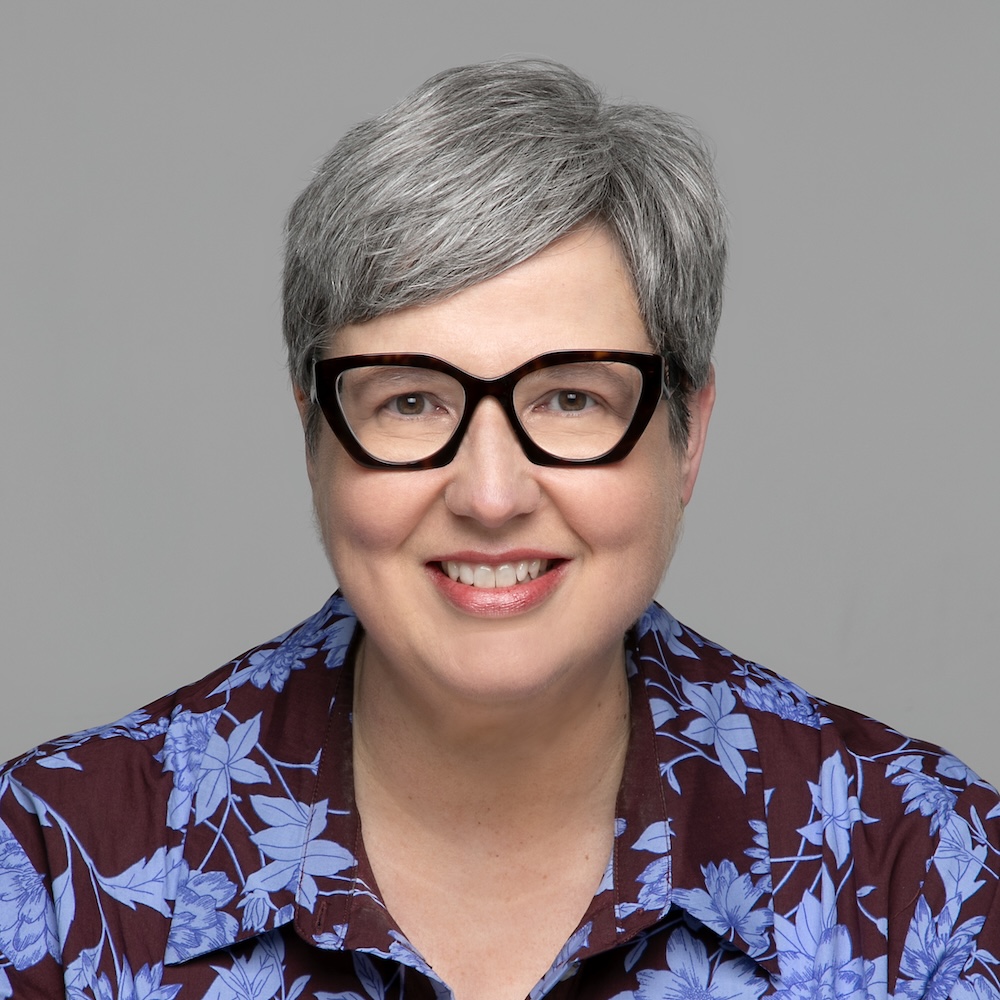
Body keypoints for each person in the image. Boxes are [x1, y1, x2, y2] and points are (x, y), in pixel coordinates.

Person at [1, 58, 998, 1000]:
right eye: (410, 402)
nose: (488, 494)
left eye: (569, 398)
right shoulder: (51, 865)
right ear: (316, 437)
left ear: (686, 436)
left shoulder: (923, 870)